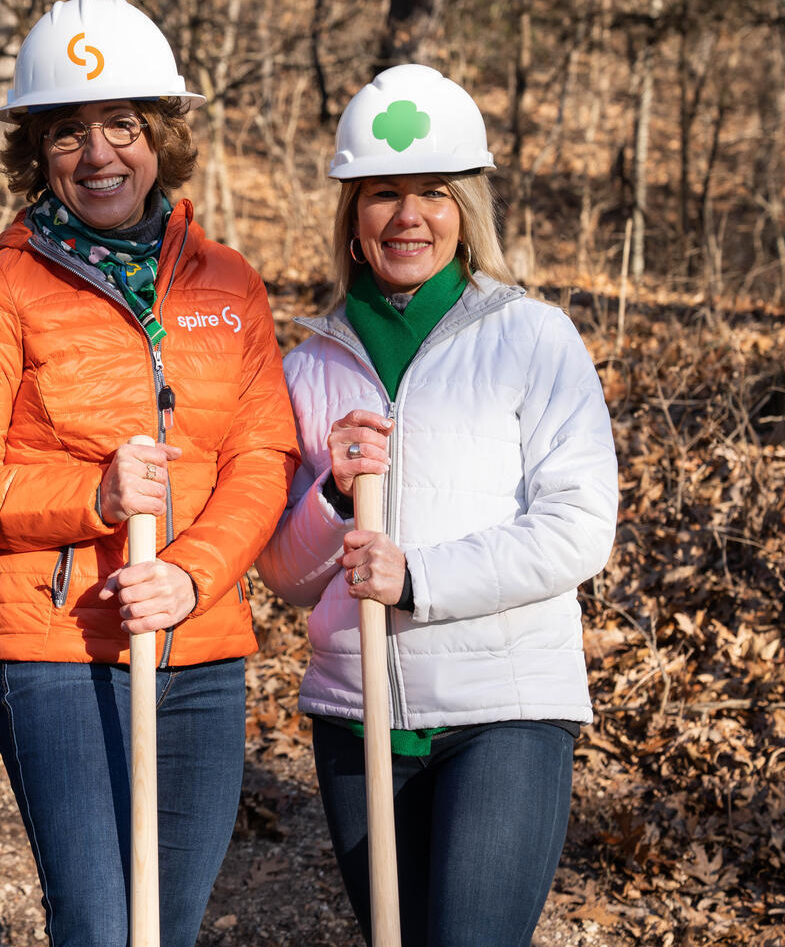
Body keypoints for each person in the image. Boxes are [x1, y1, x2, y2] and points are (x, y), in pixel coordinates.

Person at [0, 0, 298, 947]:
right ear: (36, 154)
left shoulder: (228, 283)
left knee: (166, 925)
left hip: (201, 646)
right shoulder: (2, 287)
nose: (98, 156)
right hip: (58, 653)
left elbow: (262, 456)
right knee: (96, 926)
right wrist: (90, 498)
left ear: (159, 136)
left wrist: (190, 574)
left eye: (121, 126)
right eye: (67, 134)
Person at [256, 64, 619, 947]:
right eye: (383, 194)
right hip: (358, 713)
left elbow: (578, 526)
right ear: (352, 214)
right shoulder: (306, 367)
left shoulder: (531, 337)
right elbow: (284, 573)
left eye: (432, 192)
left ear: (465, 210)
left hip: (504, 712)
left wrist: (417, 576)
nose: (407, 216)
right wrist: (334, 497)